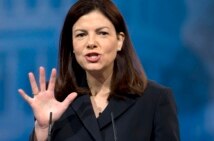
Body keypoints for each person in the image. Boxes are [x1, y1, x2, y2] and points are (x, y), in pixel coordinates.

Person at [18, 0, 180, 140]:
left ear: (119, 41)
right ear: (72, 46)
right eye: (81, 35)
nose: (91, 43)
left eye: (102, 33)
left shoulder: (155, 99)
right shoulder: (57, 98)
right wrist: (42, 129)